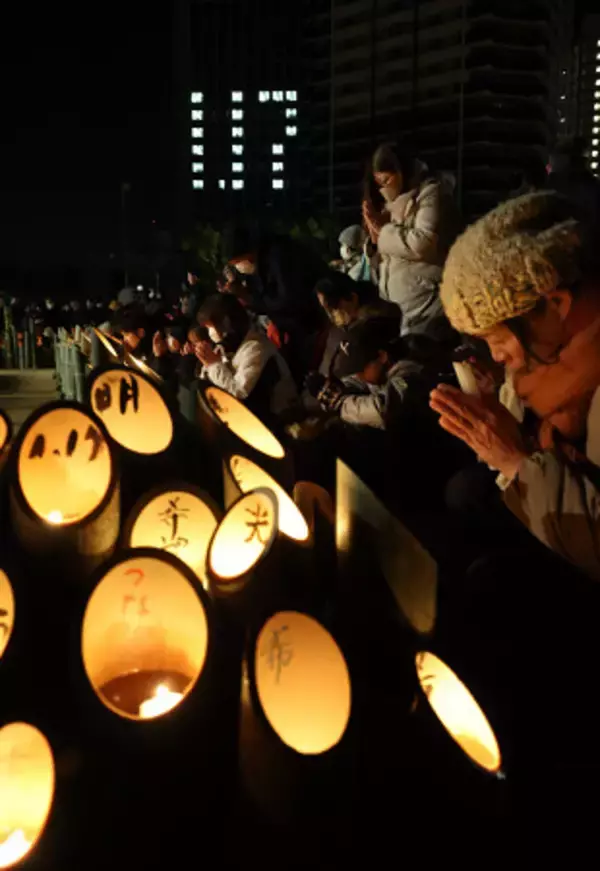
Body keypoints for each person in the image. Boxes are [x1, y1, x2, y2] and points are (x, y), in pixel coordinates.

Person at [430, 190, 600, 582]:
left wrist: (512, 460)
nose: (499, 356)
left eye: (496, 338)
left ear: (556, 305)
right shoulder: (549, 357)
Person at [362, 142, 461, 342]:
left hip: (427, 303)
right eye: (379, 183)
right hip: (397, 309)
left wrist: (383, 232)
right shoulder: (388, 204)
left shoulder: (430, 193)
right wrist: (373, 244)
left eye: (387, 180)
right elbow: (386, 259)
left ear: (402, 171)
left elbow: (422, 243)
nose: (384, 188)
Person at [195, 294, 299, 426]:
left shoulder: (256, 347)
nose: (210, 333)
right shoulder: (229, 346)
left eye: (211, 327)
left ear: (227, 323)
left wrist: (214, 365)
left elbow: (239, 393)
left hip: (277, 420)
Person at [314, 272, 401, 379]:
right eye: (325, 309)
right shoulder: (344, 325)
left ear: (352, 298)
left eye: (332, 306)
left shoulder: (369, 329)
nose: (330, 315)